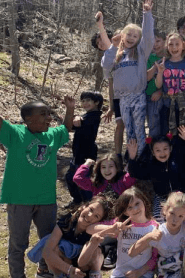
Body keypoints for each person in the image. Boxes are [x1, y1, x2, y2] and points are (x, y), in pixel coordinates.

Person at [0, 75, 74, 278]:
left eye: (48, 113)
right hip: (19, 199)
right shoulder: (16, 134)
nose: (48, 118)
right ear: (28, 119)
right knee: (18, 243)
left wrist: (70, 108)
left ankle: (44, 270)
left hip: (46, 199)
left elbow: (65, 127)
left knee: (48, 238)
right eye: (43, 114)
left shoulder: (52, 135)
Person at [97, 0, 154, 156]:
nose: (131, 37)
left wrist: (147, 14)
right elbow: (106, 66)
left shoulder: (141, 52)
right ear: (122, 36)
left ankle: (141, 158)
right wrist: (113, 47)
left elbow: (148, 37)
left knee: (139, 128)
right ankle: (132, 158)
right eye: (128, 34)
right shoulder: (116, 54)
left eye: (135, 36)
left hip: (138, 96)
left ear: (138, 39)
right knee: (129, 130)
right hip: (122, 99)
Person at [27, 196, 110, 278]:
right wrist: (69, 269)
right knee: (53, 247)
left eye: (96, 216)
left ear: (99, 221)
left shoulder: (94, 230)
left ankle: (95, 277)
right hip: (66, 268)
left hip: (84, 269)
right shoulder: (67, 220)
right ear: (84, 206)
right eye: (91, 209)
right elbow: (47, 252)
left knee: (97, 250)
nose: (90, 216)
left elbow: (82, 262)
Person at [86, 186, 159, 278]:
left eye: (137, 204)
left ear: (144, 202)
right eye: (129, 207)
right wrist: (112, 228)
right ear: (125, 211)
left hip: (142, 275)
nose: (135, 209)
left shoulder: (154, 227)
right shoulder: (121, 225)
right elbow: (89, 229)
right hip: (119, 274)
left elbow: (155, 258)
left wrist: (139, 272)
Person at [127, 126, 185, 223]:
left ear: (171, 148)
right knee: (159, 220)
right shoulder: (151, 165)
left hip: (181, 196)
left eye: (165, 149)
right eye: (158, 150)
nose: (162, 153)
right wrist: (132, 157)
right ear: (152, 152)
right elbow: (135, 172)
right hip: (162, 197)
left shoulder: (179, 159)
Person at [155, 32, 185, 142]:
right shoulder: (163, 63)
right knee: (168, 136)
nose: (174, 47)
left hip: (184, 106)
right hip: (167, 106)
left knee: (183, 134)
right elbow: (158, 85)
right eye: (171, 44)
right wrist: (160, 72)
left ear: (183, 46)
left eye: (177, 44)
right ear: (167, 46)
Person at [92, 27, 125, 165]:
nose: (101, 44)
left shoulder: (126, 48)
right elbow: (110, 83)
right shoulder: (105, 61)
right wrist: (111, 106)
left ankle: (134, 152)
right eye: (98, 45)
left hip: (134, 92)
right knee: (119, 124)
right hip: (118, 95)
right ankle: (118, 154)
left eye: (102, 41)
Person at [65, 91, 103, 207]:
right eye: (82, 101)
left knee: (83, 180)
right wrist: (76, 117)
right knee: (70, 177)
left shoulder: (95, 116)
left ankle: (89, 203)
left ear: (96, 102)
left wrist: (77, 118)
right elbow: (72, 126)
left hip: (86, 154)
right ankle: (77, 200)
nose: (84, 103)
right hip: (78, 153)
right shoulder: (86, 115)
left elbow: (75, 124)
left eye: (88, 100)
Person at [146, 29, 167, 138]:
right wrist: (156, 66)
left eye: (158, 41)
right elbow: (146, 77)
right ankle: (153, 148)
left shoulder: (170, 57)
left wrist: (161, 91)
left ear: (165, 41)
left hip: (165, 96)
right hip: (150, 96)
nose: (154, 44)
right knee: (153, 125)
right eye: (152, 41)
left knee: (165, 125)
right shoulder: (149, 57)